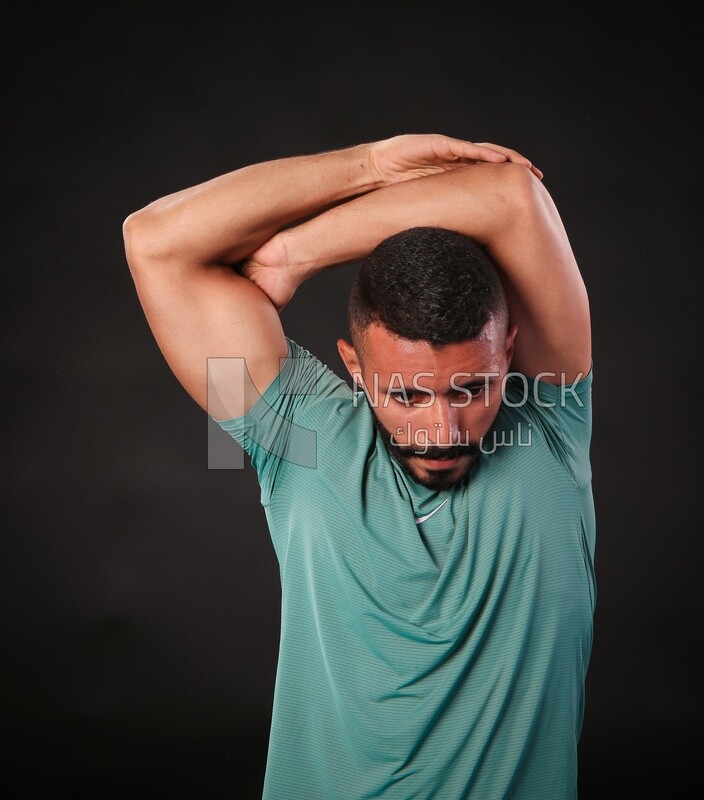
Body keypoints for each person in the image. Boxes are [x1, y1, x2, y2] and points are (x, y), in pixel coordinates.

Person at [123, 133, 595, 799]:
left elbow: (511, 197)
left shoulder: (547, 428)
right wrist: (369, 165)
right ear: (353, 366)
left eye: (472, 389)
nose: (443, 429)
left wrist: (297, 254)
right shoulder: (297, 438)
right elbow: (154, 240)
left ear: (509, 354)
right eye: (406, 395)